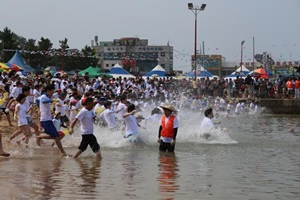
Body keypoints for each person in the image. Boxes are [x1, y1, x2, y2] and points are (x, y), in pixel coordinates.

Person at [37, 85, 69, 156]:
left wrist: (40, 108)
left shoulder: (46, 97)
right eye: (52, 91)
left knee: (54, 136)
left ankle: (39, 137)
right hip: (45, 119)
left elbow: (37, 100)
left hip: (48, 119)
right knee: (56, 136)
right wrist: (52, 100)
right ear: (48, 91)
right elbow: (43, 101)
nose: (52, 93)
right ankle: (63, 152)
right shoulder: (43, 97)